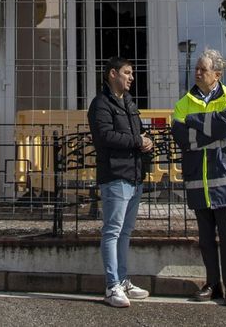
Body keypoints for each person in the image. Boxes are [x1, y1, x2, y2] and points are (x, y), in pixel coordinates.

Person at [171, 49, 226, 306]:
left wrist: (194, 122)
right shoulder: (183, 101)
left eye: (203, 69)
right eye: (196, 68)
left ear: (217, 75)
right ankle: (212, 283)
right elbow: (180, 136)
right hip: (200, 181)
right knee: (206, 240)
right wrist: (211, 127)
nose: (197, 72)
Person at [87, 55, 155, 308]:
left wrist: (147, 141)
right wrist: (138, 141)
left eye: (131, 73)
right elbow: (105, 137)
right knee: (112, 231)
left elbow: (136, 132)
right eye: (127, 72)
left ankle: (123, 280)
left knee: (124, 232)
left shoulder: (128, 102)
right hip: (115, 175)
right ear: (112, 74)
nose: (131, 77)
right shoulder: (101, 104)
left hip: (134, 175)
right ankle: (112, 285)